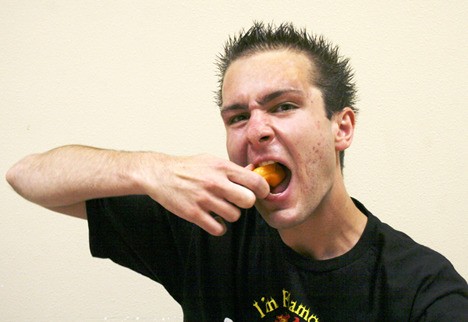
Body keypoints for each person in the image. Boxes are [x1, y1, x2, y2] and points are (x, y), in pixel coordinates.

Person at [6, 22, 468, 321]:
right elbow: (26, 176)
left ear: (341, 127)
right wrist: (150, 170)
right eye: (238, 117)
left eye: (283, 106)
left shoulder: (421, 289)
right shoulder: (208, 228)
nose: (257, 130)